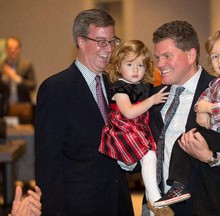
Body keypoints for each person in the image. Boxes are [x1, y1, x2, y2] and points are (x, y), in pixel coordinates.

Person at [145, 20, 220, 216]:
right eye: (157, 57)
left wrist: (211, 157)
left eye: (167, 56)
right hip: (157, 206)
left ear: (191, 55)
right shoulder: (153, 97)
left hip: (209, 206)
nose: (159, 64)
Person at [34, 9, 134, 215]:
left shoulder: (117, 86)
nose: (109, 49)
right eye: (101, 41)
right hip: (79, 208)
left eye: (112, 41)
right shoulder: (55, 90)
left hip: (119, 202)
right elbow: (48, 165)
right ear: (81, 41)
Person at [98, 39, 173, 215]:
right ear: (118, 66)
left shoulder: (143, 87)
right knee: (149, 155)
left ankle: (154, 198)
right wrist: (152, 100)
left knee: (150, 157)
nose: (135, 70)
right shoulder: (120, 88)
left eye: (140, 65)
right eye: (130, 64)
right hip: (122, 130)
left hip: (137, 129)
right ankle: (155, 199)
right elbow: (129, 112)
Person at [0, 36, 36, 106]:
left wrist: (17, 79)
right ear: (6, 49)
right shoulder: (1, 66)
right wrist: (4, 79)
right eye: (10, 48)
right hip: (4, 106)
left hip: (23, 105)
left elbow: (32, 85)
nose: (12, 51)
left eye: (15, 48)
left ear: (19, 49)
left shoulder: (27, 65)